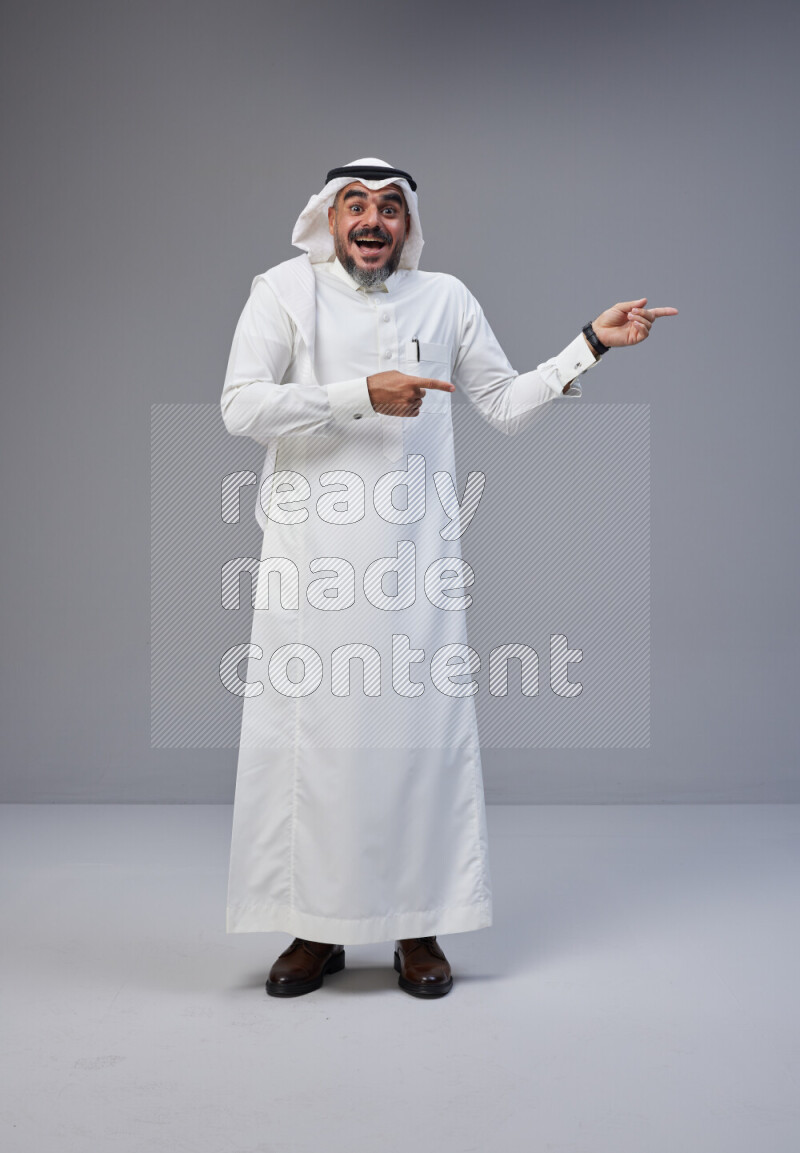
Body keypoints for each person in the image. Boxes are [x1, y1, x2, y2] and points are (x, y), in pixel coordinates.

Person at [221, 157, 677, 999]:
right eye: (354, 204)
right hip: (310, 565)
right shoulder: (284, 291)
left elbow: (503, 404)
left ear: (408, 225)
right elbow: (240, 405)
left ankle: (417, 925)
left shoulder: (446, 300)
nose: (371, 220)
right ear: (327, 218)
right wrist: (360, 392)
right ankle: (313, 931)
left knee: (416, 746)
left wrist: (589, 344)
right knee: (313, 745)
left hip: (414, 567)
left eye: (389, 208)